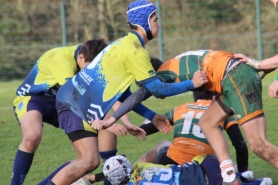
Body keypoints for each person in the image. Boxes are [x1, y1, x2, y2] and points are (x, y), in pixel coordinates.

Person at [40, 1, 208, 184]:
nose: (159, 24)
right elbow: (158, 90)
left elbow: (126, 96)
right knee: (89, 161)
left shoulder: (123, 43)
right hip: (75, 101)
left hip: (75, 99)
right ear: (145, 21)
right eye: (155, 19)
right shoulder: (135, 51)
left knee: (86, 162)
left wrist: (152, 116)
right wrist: (191, 83)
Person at [104, 50, 278, 185]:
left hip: (234, 77)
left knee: (258, 145)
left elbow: (135, 98)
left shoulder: (160, 77)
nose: (157, 96)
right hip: (231, 76)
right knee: (207, 122)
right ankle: (231, 176)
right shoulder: (172, 66)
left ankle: (234, 175)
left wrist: (112, 120)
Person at [11, 38, 107, 185]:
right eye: (88, 67)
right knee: (32, 137)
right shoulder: (61, 58)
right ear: (80, 57)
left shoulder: (91, 60)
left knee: (86, 160)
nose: (90, 71)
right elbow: (75, 93)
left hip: (63, 102)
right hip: (34, 99)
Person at [136, 90, 249, 174]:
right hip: (201, 170)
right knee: (234, 167)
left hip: (170, 163)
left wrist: (139, 127)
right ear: (216, 96)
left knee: (164, 144)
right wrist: (243, 174)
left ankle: (132, 172)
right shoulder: (222, 111)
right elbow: (240, 146)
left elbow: (148, 128)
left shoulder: (182, 108)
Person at [84, 155, 273, 185]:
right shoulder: (140, 166)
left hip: (209, 181)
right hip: (207, 162)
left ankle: (258, 183)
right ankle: (242, 175)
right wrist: (93, 177)